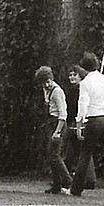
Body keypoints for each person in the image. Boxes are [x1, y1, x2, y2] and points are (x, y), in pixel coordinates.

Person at [69, 52, 104, 199]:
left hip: (94, 119)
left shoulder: (85, 83)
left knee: (85, 154)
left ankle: (76, 189)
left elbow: (82, 105)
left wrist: (79, 125)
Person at [34, 65, 71, 194]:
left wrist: (58, 131)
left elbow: (63, 114)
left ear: (51, 78)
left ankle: (67, 180)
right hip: (50, 121)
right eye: (44, 83)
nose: (46, 85)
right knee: (51, 155)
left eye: (47, 81)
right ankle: (56, 184)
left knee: (55, 155)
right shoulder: (46, 89)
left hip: (58, 123)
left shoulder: (57, 91)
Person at [62, 67, 95, 190]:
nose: (71, 77)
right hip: (85, 122)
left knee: (77, 149)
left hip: (78, 123)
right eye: (70, 75)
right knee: (76, 150)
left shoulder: (75, 90)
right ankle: (66, 176)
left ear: (80, 76)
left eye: (74, 75)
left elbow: (72, 108)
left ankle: (88, 179)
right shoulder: (85, 88)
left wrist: (73, 122)